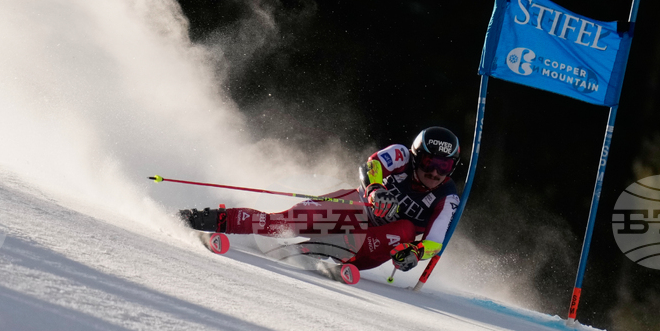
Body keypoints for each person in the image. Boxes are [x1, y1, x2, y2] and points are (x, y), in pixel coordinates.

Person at [179, 126, 462, 272]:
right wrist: (376, 190)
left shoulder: (447, 197)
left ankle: (323, 253)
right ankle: (214, 220)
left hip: (380, 238)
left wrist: (413, 253)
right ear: (415, 156)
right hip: (357, 208)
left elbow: (435, 242)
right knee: (285, 223)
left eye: (445, 167)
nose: (435, 173)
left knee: (405, 229)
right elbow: (371, 165)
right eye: (429, 163)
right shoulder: (400, 154)